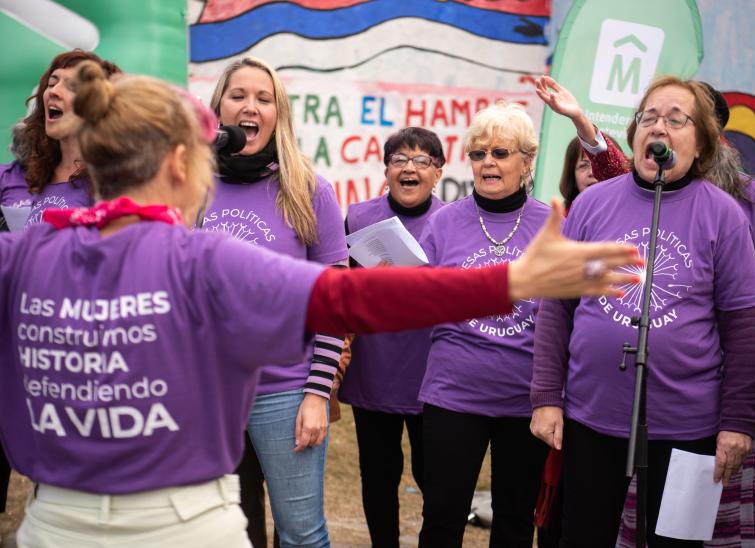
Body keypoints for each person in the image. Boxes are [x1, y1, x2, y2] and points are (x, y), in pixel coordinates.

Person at [0, 61, 642, 547]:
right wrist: (512, 283)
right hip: (184, 522)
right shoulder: (197, 260)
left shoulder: (24, 257)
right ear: (178, 163)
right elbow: (349, 297)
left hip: (52, 522)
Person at [537, 75, 755, 547]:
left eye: (677, 119)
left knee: (677, 542)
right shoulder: (592, 204)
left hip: (688, 422)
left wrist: (736, 422)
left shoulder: (724, 214)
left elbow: (744, 327)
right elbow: (556, 305)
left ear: (702, 144)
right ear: (634, 135)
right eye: (649, 117)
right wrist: (547, 395)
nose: (659, 127)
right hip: (593, 415)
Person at [202, 57, 348, 548]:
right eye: (238, 95)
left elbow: (334, 302)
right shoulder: (189, 187)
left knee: (302, 535)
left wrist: (316, 395)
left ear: (278, 113)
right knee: (223, 535)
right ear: (218, 107)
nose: (250, 106)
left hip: (284, 393)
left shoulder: (308, 190)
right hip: (207, 395)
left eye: (263, 98)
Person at [414, 101, 552, 547]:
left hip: (525, 401)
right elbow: (422, 304)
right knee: (441, 518)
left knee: (514, 522)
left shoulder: (552, 227)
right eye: (478, 154)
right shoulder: (443, 222)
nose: (487, 162)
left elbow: (563, 314)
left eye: (500, 152)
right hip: (453, 395)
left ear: (527, 161)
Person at [337, 127, 445, 547]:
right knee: (378, 475)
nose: (409, 168)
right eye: (400, 160)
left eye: (421, 161)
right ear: (386, 170)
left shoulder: (453, 221)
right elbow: (338, 283)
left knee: (433, 476)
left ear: (438, 172)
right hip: (374, 371)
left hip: (431, 376)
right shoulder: (359, 218)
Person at [0, 49, 120, 227]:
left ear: (96, 104)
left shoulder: (111, 181)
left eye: (72, 86)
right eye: (51, 83)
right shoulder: (38, 174)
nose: (54, 91)